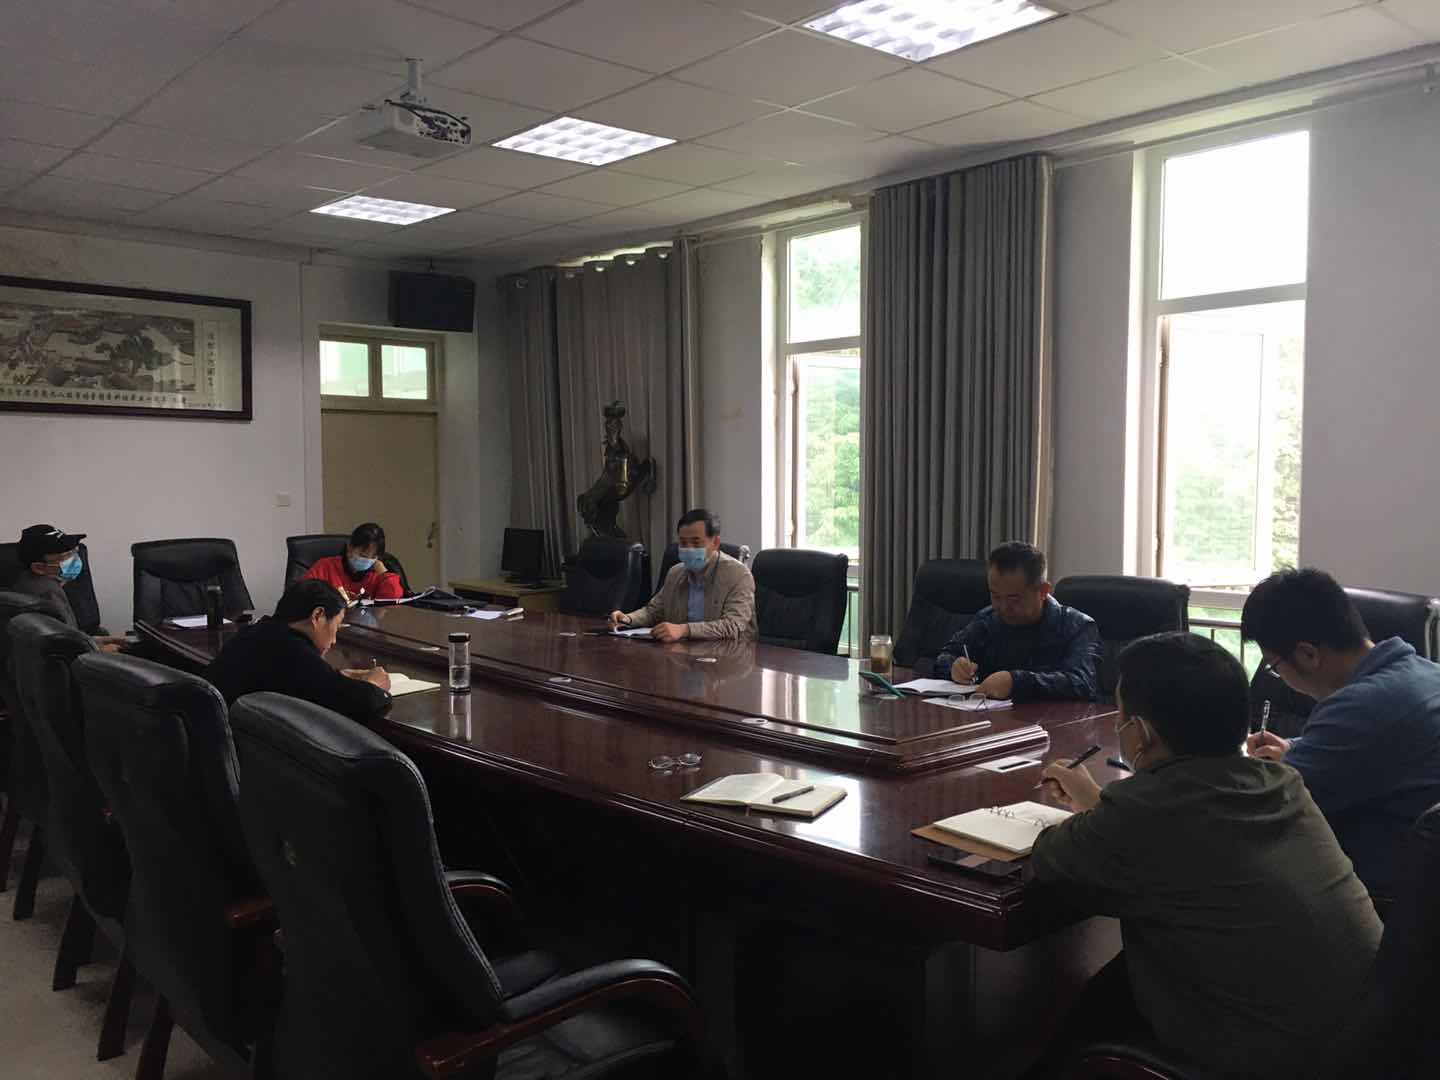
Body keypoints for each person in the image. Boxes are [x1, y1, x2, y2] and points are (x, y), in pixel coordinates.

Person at [1030, 633, 1380, 1079]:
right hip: (1372, 1041)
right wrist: (1098, 803)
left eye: (1120, 718)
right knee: (1111, 984)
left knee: (1079, 1022)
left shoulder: (1147, 811)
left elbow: (1053, 858)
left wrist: (1103, 811)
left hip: (1276, 1060)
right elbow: (1184, 832)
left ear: (1141, 733)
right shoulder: (1281, 782)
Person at [1241, 567, 1440, 897]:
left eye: (1275, 668)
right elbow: (1379, 748)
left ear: (1307, 655)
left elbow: (1265, 807)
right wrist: (1294, 747)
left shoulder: (1359, 707)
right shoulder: (1426, 674)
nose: (1280, 678)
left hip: (1378, 899)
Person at [204, 579, 391, 725]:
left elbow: (309, 680)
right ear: (318, 616)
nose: (334, 641)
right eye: (336, 627)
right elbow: (360, 703)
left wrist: (338, 676)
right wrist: (373, 684)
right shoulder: (293, 651)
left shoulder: (256, 632)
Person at [932, 541, 1099, 701]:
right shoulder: (987, 620)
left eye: (1014, 599)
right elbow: (946, 655)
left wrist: (1016, 682)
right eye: (995, 596)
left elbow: (1082, 683)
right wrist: (954, 667)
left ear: (1043, 591)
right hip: (990, 715)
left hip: (1053, 719)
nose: (1003, 607)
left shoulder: (1077, 627)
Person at [609, 508, 756, 642]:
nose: (688, 549)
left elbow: (733, 625)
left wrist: (684, 630)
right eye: (683, 543)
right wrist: (628, 618)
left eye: (696, 542)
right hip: (683, 651)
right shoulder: (675, 573)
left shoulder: (738, 575)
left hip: (730, 655)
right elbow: (653, 611)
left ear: (715, 542)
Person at [10, 524, 126, 652]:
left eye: (75, 551)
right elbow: (64, 648)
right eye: (67, 556)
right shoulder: (47, 593)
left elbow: (68, 635)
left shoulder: (28, 582)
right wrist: (99, 651)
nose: (76, 558)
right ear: (39, 567)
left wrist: (93, 641)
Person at [301, 522, 403, 601]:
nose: (367, 560)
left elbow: (393, 600)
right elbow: (302, 595)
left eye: (373, 557)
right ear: (350, 546)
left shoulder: (376, 574)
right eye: (362, 555)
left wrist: (384, 573)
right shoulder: (325, 566)